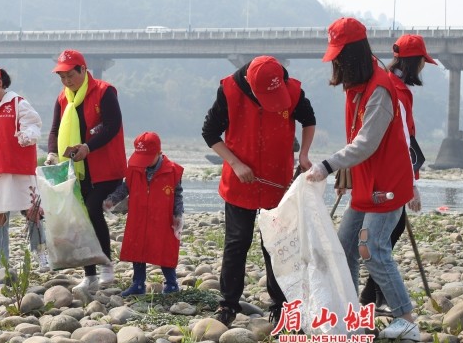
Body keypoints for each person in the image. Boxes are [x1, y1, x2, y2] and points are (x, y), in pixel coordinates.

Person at [306, 17, 419, 341]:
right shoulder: (356, 88)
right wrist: (344, 172)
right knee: (345, 247)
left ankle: (407, 319)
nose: (336, 62)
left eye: (340, 55)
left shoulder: (380, 90)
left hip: (387, 185)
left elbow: (366, 143)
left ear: (353, 54)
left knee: (372, 249)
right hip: (367, 183)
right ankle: (354, 316)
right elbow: (357, 141)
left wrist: (327, 165)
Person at [202, 55, 316, 327]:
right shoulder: (229, 90)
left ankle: (280, 305)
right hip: (241, 180)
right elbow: (210, 133)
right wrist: (235, 163)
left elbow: (309, 119)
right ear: (251, 85)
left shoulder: (292, 89)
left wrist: (305, 155)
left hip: (277, 181)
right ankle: (228, 304)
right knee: (237, 242)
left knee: (275, 245)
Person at [359, 34, 435, 310]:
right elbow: (403, 139)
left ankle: (371, 294)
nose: (423, 68)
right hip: (390, 171)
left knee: (386, 233)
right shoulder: (396, 90)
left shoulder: (388, 83)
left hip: (381, 169)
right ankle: (376, 296)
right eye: (423, 62)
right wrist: (412, 183)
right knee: (384, 235)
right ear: (415, 62)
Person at [46, 49, 126, 291]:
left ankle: (106, 266)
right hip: (76, 168)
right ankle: (89, 275)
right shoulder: (63, 98)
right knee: (79, 218)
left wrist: (88, 147)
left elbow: (112, 126)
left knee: (92, 209)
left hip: (105, 167)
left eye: (70, 75)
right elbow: (55, 129)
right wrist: (51, 153)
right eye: (62, 77)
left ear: (82, 69)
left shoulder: (104, 91)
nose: (66, 81)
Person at [0, 63, 49, 277]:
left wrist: (27, 135)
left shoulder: (17, 103)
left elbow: (34, 124)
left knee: (31, 211)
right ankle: (0, 260)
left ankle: (40, 253)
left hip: (18, 167)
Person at [103, 131, 184, 296]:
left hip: (163, 219)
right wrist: (112, 200)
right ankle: (138, 284)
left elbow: (177, 194)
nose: (144, 163)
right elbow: (126, 187)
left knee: (164, 249)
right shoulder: (134, 168)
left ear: (159, 153)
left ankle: (172, 284)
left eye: (148, 158)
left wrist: (178, 214)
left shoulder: (173, 171)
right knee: (137, 248)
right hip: (138, 217)